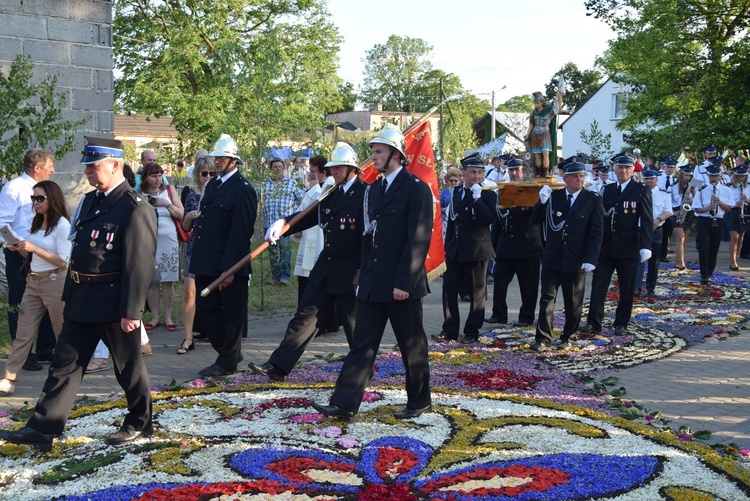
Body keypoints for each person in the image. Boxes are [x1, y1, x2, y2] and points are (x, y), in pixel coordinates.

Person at [0, 136, 158, 450]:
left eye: (93, 166)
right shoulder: (90, 201)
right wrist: (69, 293)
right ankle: (44, 426)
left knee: (127, 366)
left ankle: (140, 422)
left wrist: (132, 310)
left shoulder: (133, 206)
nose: (87, 172)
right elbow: (79, 252)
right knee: (64, 364)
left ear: (114, 165)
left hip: (114, 301)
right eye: (86, 166)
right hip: (81, 297)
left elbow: (139, 264)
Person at [311, 125, 433, 421]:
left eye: (379, 151)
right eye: (373, 151)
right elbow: (367, 239)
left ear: (396, 154)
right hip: (372, 283)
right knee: (362, 346)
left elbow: (418, 239)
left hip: (401, 285)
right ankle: (344, 403)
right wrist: (361, 278)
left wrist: (405, 282)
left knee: (411, 345)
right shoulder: (373, 190)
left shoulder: (416, 189)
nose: (373, 157)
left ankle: (419, 401)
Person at [249, 143, 367, 381]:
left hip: (351, 271)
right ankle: (278, 366)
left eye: (339, 167)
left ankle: (363, 370)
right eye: (332, 167)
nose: (333, 171)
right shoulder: (333, 192)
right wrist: (284, 223)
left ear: (352, 168)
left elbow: (370, 236)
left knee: (355, 325)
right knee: (304, 316)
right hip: (326, 266)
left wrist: (367, 272)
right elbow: (311, 215)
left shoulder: (366, 194)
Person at [190, 134, 257, 377]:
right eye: (216, 157)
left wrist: (230, 268)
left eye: (223, 158)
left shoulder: (243, 189)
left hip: (229, 263)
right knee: (206, 308)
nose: (217, 161)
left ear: (234, 161)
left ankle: (227, 361)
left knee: (232, 314)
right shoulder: (214, 185)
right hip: (207, 261)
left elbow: (241, 232)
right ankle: (229, 353)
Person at [0, 181, 71, 394]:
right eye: (33, 198)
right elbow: (30, 254)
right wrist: (18, 247)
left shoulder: (62, 226)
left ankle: (66, 378)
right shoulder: (35, 222)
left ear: (52, 199)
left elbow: (63, 260)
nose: (35, 203)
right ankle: (9, 379)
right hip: (33, 282)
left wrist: (34, 249)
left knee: (62, 332)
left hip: (55, 281)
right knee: (23, 333)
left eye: (40, 198)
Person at [530, 162, 603, 351]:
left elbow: (596, 232)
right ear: (566, 179)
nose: (579, 180)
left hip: (576, 259)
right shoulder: (555, 197)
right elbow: (536, 219)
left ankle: (568, 336)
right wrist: (542, 202)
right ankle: (543, 339)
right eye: (575, 176)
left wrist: (591, 258)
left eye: (582, 176)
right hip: (552, 257)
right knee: (546, 299)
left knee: (573, 302)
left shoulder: (592, 199)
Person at [582, 155, 653, 337]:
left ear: (632, 170)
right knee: (599, 286)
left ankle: (621, 322)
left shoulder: (640, 190)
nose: (623, 171)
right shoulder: (608, 189)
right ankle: (593, 322)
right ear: (614, 169)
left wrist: (646, 245)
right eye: (620, 168)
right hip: (606, 247)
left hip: (628, 247)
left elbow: (646, 220)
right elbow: (599, 218)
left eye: (626, 168)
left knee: (626, 287)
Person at [0, 148, 57, 370]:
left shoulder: (44, 189)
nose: (52, 170)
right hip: (21, 255)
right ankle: (23, 355)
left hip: (43, 252)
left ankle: (46, 348)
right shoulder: (14, 188)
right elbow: (2, 224)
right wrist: (19, 247)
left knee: (47, 299)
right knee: (21, 303)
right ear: (37, 168)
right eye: (49, 166)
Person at [433, 153, 496, 344]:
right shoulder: (456, 191)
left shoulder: (488, 194)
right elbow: (453, 220)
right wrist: (448, 246)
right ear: (463, 174)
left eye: (479, 172)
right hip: (456, 251)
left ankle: (472, 331)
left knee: (477, 294)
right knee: (449, 290)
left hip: (477, 250)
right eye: (472, 172)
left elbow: (488, 220)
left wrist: (478, 200)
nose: (476, 176)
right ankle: (450, 329)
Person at [486, 158, 542, 327]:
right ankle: (499, 314)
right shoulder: (503, 191)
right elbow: (498, 223)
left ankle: (526, 318)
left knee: (528, 287)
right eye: (511, 170)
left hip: (528, 247)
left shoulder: (531, 191)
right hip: (506, 247)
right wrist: (493, 247)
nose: (514, 173)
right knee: (500, 283)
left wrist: (539, 201)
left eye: (517, 170)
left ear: (523, 171)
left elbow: (538, 218)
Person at [177, 155, 215, 354]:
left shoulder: (219, 192)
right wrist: (189, 217)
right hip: (196, 245)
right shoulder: (192, 195)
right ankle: (188, 337)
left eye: (211, 173)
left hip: (215, 247)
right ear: (197, 174)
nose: (208, 177)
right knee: (189, 291)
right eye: (204, 173)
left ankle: (218, 335)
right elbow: (184, 226)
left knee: (214, 291)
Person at [140, 162, 184, 332]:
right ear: (146, 177)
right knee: (152, 281)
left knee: (168, 280)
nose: (158, 179)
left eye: (160, 175)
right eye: (153, 175)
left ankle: (168, 317)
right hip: (148, 241)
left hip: (169, 240)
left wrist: (165, 204)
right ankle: (155, 317)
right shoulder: (139, 193)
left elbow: (182, 213)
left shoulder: (169, 190)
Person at [262, 157, 305, 285]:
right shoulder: (264, 184)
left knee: (285, 249)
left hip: (285, 225)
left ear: (284, 169)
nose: (278, 169)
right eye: (275, 167)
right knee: (273, 251)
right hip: (269, 223)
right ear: (271, 169)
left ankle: (284, 276)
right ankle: (275, 275)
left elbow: (301, 200)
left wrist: (298, 223)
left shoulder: (291, 184)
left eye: (280, 167)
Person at [692, 161, 734, 284]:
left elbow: (728, 209)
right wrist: (707, 208)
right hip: (704, 220)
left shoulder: (726, 190)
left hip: (719, 220)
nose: (713, 178)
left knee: (714, 248)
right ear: (708, 176)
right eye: (711, 176)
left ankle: (710, 272)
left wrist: (719, 202)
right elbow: (696, 209)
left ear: (720, 175)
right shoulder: (702, 190)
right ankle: (704, 275)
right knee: (704, 247)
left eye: (715, 176)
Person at [637, 170, 672, 296]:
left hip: (656, 229)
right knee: (639, 259)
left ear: (656, 179)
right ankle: (637, 287)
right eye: (646, 179)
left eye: (651, 179)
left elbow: (668, 211)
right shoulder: (637, 192)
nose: (649, 181)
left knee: (654, 261)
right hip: (640, 229)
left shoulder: (664, 194)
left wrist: (658, 220)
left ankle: (650, 288)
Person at [524, 89, 563, 177]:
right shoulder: (533, 113)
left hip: (545, 133)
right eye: (535, 103)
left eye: (537, 103)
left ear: (541, 102)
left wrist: (559, 96)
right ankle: (539, 172)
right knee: (537, 155)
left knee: (546, 153)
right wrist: (527, 134)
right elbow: (531, 124)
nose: (536, 105)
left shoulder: (549, 111)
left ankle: (546, 172)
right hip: (535, 134)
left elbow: (558, 108)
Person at [670, 165, 696, 270]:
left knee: (684, 239)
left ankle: (679, 259)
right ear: (681, 175)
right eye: (686, 175)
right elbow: (667, 201)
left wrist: (692, 200)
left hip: (688, 212)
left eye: (690, 175)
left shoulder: (693, 187)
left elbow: (698, 201)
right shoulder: (673, 187)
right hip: (677, 211)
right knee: (680, 237)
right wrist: (672, 212)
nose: (687, 177)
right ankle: (680, 264)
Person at [726, 165, 749, 271]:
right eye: (739, 176)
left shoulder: (748, 186)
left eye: (743, 176)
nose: (741, 178)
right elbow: (724, 202)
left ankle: (735, 259)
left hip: (744, 211)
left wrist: (747, 200)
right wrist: (734, 204)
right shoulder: (729, 186)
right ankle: (732, 261)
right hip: (733, 211)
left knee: (740, 237)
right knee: (734, 236)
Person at [657, 157, 678, 261]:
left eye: (672, 168)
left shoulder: (676, 180)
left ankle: (663, 255)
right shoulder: (658, 178)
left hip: (671, 209)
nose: (669, 169)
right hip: (659, 208)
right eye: (668, 167)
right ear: (664, 167)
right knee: (657, 231)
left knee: (667, 234)